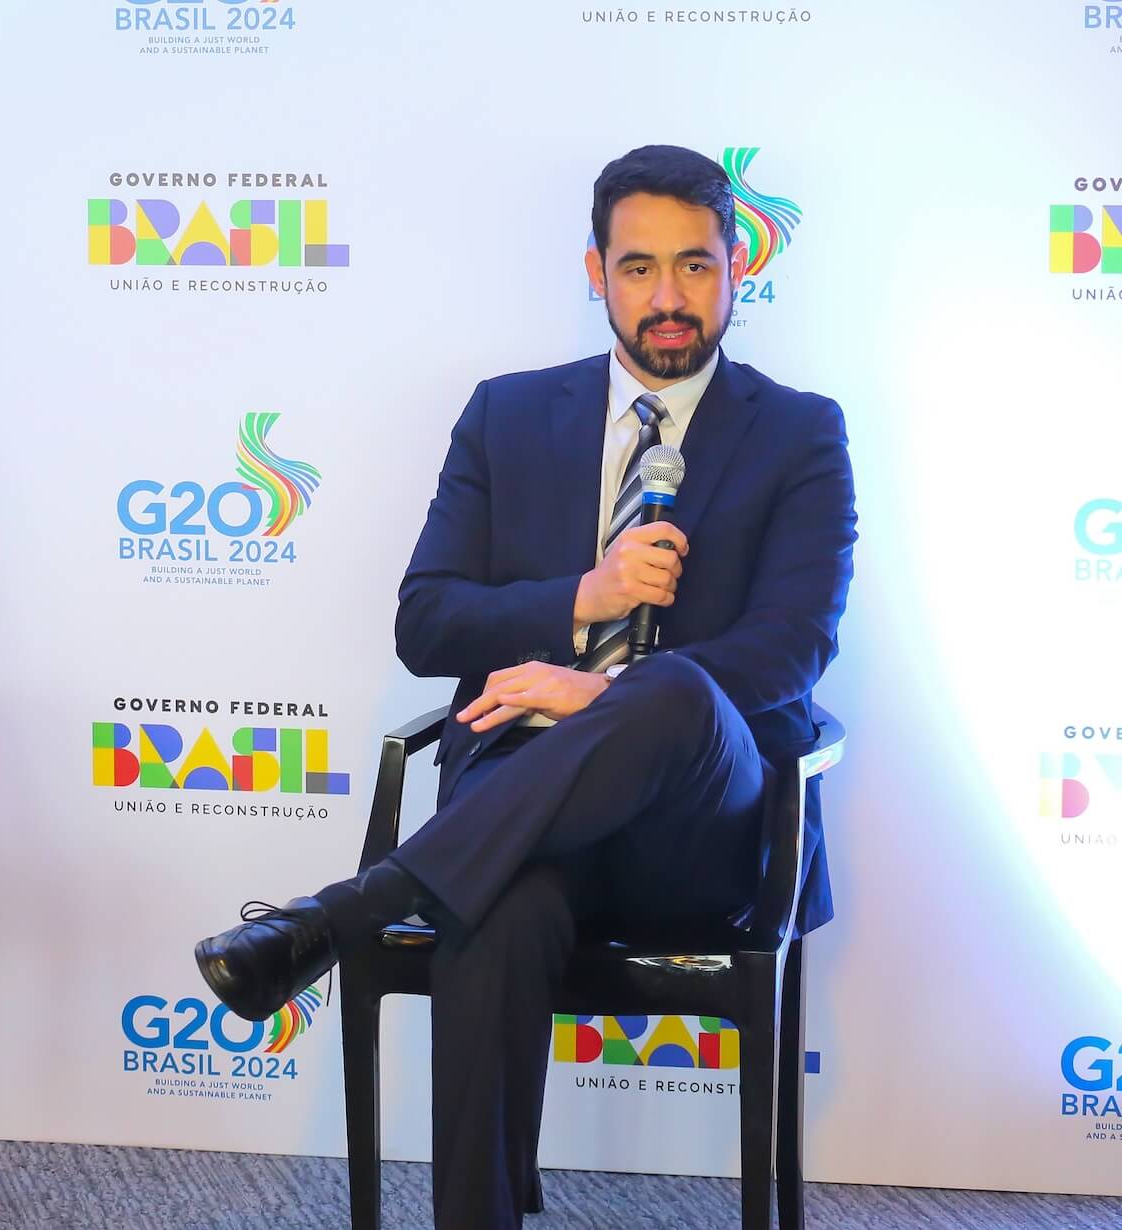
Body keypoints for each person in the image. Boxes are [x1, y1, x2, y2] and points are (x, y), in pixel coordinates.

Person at [193, 145, 856, 1228]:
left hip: (698, 825)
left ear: (736, 268)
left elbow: (793, 651)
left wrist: (607, 695)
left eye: (695, 266)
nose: (669, 296)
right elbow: (427, 621)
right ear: (595, 271)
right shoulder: (506, 415)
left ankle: (345, 914)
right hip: (522, 821)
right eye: (639, 268)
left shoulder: (799, 431)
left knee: (675, 692)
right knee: (496, 909)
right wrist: (584, 598)